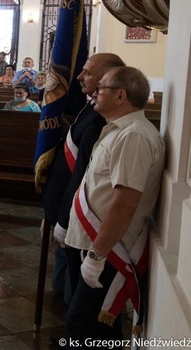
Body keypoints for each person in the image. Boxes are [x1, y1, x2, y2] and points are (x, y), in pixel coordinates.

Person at [63, 66, 164, 344]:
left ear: (120, 96)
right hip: (100, 246)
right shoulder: (120, 130)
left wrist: (96, 257)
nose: (95, 93)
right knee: (96, 328)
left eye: (102, 88)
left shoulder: (134, 136)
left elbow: (125, 203)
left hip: (109, 252)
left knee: (82, 326)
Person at [41, 53, 125, 305]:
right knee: (61, 289)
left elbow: (84, 175)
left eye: (86, 72)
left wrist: (64, 219)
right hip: (64, 208)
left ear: (107, 77)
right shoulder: (90, 106)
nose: (79, 76)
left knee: (74, 298)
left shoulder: (102, 118)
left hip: (79, 215)